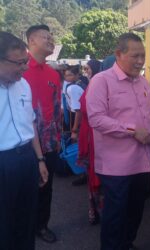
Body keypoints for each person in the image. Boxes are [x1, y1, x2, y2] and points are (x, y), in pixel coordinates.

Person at [86, 32, 150, 250]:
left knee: (136, 210)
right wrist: (132, 131)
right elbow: (96, 119)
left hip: (141, 161)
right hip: (116, 165)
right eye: (135, 56)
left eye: (142, 56)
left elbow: (148, 117)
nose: (140, 61)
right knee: (115, 215)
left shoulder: (142, 82)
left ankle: (126, 243)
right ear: (118, 54)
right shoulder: (101, 81)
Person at [0, 31, 48, 250]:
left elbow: (31, 124)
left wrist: (39, 159)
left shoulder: (24, 85)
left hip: (27, 159)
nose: (25, 67)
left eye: (25, 61)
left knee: (26, 221)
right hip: (3, 162)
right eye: (19, 63)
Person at [23, 24, 61, 243]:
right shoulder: (18, 70)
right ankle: (24, 226)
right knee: (24, 188)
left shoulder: (53, 74)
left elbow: (57, 108)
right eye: (45, 37)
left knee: (46, 187)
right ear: (31, 41)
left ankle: (41, 225)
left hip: (50, 141)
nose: (50, 40)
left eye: (51, 36)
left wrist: (58, 139)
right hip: (24, 142)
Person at [78, 59, 103, 224]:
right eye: (85, 68)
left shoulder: (98, 87)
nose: (86, 71)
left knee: (100, 173)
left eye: (88, 68)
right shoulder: (90, 86)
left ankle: (101, 211)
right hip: (88, 135)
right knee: (91, 173)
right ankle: (94, 210)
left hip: (98, 135)